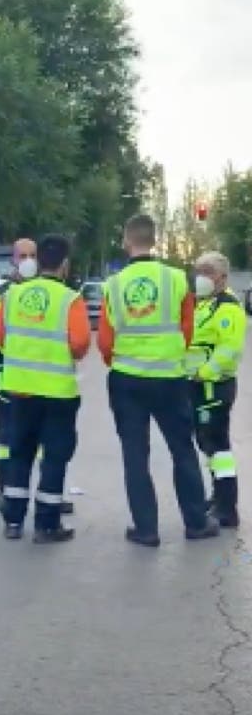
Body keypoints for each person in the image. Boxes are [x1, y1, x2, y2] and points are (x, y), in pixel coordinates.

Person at [99, 214, 220, 546]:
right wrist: (169, 355)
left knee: (135, 455)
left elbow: (105, 342)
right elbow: (187, 328)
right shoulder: (178, 280)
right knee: (182, 449)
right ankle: (196, 523)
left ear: (127, 241)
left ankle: (146, 529)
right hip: (169, 379)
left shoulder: (114, 285)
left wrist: (120, 360)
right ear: (154, 240)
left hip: (127, 381)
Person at [0, 235, 91, 541]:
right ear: (64, 265)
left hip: (19, 390)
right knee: (54, 457)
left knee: (19, 453)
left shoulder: (13, 296)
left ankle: (13, 521)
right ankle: (47, 525)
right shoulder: (70, 299)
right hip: (58, 393)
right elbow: (80, 344)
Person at [0, 238, 73, 515]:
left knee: (48, 441)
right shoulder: (1, 294)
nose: (28, 260)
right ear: (13, 260)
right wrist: (14, 346)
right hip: (10, 375)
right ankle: (5, 493)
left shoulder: (50, 290)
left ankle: (48, 497)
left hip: (44, 377)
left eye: (33, 255)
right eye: (23, 256)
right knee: (7, 439)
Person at [187, 251, 246, 527]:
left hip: (214, 387)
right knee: (207, 443)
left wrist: (204, 372)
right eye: (199, 271)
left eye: (208, 271)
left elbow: (229, 349)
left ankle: (227, 507)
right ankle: (219, 496)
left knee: (217, 445)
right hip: (199, 386)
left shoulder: (228, 307)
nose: (202, 277)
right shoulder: (203, 304)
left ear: (222, 277)